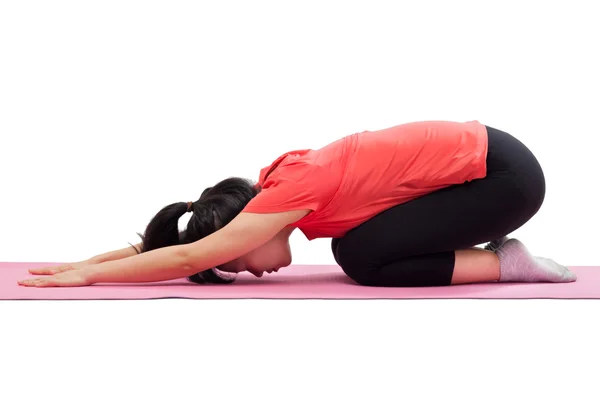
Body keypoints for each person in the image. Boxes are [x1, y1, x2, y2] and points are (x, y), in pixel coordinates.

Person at [19, 120, 576, 288]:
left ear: (243, 227)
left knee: (362, 256)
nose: (248, 270)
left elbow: (189, 257)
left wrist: (87, 281)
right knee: (356, 246)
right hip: (490, 168)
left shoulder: (288, 193)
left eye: (235, 260)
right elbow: (176, 246)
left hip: (505, 176)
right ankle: (502, 259)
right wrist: (86, 261)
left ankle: (508, 263)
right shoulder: (282, 194)